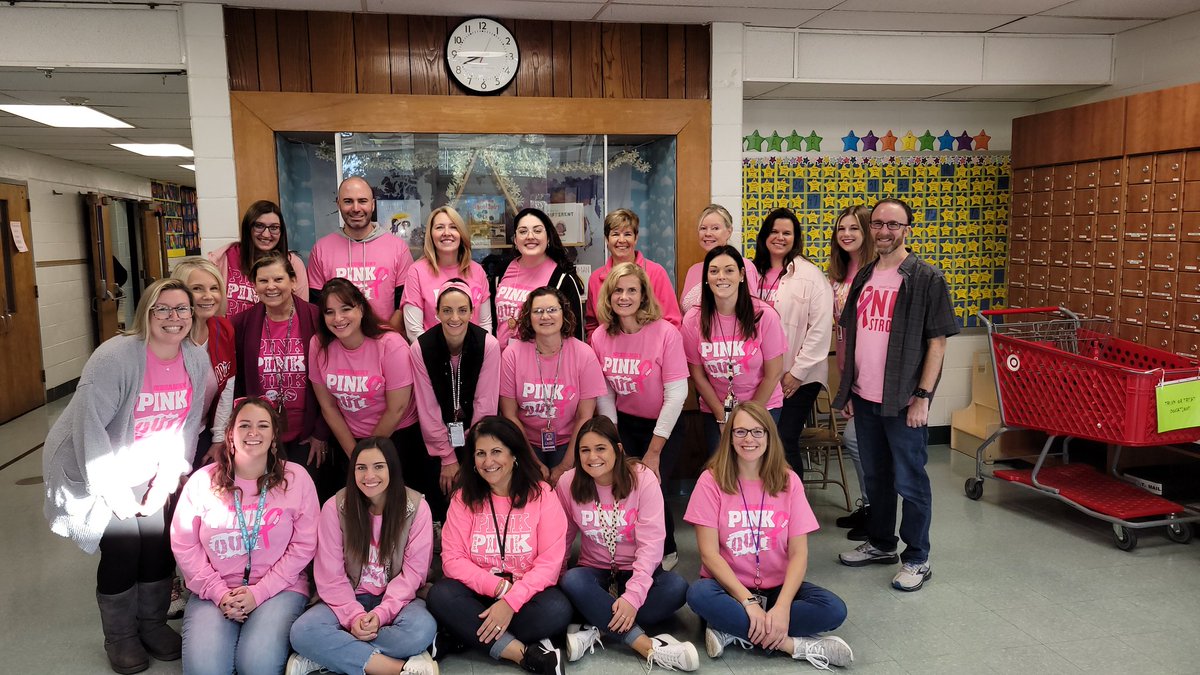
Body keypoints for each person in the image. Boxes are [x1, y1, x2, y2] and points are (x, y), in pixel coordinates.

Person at [43, 278, 210, 674]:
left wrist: (165, 483)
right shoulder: (115, 357)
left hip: (149, 468)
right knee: (123, 547)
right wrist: (114, 494)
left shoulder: (195, 358)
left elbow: (187, 426)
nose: (174, 318)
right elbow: (89, 431)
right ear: (147, 313)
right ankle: (119, 637)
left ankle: (150, 625)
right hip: (95, 467)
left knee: (156, 544)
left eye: (182, 309)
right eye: (163, 309)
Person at [833, 198, 959, 592]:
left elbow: (937, 344)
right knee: (876, 477)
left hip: (904, 400)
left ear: (908, 228)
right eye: (879, 224)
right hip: (865, 396)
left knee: (910, 480)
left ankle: (917, 557)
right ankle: (882, 544)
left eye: (894, 224)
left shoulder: (925, 278)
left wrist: (922, 397)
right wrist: (849, 389)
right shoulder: (866, 275)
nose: (884, 231)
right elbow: (852, 336)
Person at [684, 402, 852, 669]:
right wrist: (748, 602)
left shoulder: (788, 481)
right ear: (729, 437)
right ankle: (794, 646)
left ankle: (731, 629)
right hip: (729, 589)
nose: (748, 439)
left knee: (833, 609)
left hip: (776, 588)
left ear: (769, 436)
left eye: (757, 431)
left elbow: (799, 553)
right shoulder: (711, 480)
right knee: (697, 594)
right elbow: (709, 555)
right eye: (740, 432)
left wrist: (783, 606)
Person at [170, 397, 318, 675]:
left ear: (274, 437)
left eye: (263, 425)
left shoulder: (296, 479)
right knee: (205, 670)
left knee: (257, 666)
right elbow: (184, 544)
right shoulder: (202, 482)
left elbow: (304, 545)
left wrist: (259, 592)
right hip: (214, 591)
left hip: (278, 590)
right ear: (230, 435)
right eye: (245, 425)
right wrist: (219, 593)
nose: (253, 433)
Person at [426, 416, 571, 675]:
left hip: (526, 595)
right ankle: (523, 654)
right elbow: (452, 560)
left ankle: (464, 634)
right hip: (478, 594)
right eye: (480, 454)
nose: (488, 461)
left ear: (514, 454)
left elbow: (549, 564)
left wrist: (511, 601)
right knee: (442, 595)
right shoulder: (463, 498)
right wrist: (500, 588)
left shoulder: (542, 495)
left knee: (557, 609)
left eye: (496, 452)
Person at [554, 417, 697, 671]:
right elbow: (562, 538)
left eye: (600, 448)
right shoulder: (568, 482)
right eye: (584, 450)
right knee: (572, 582)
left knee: (676, 588)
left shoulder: (642, 479)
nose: (592, 457)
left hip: (637, 570)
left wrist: (632, 597)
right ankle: (645, 644)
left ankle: (597, 626)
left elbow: (652, 544)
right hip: (596, 572)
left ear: (618, 450)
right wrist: (560, 585)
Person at [288, 437, 438, 675]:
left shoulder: (416, 507)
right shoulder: (335, 508)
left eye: (379, 466)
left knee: (421, 630)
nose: (370, 476)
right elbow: (330, 575)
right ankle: (397, 668)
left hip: (398, 601)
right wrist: (353, 615)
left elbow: (413, 574)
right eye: (361, 468)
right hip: (346, 598)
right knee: (303, 631)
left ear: (392, 468)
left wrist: (380, 614)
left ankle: (328, 656)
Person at [310, 278, 442, 520]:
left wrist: (366, 456)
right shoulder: (318, 344)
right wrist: (355, 454)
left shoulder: (390, 343)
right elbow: (328, 406)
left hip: (396, 435)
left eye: (345, 309)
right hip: (349, 438)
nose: (338, 318)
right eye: (330, 312)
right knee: (354, 510)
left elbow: (397, 408)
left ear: (361, 308)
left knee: (398, 510)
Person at [590, 262, 687, 569]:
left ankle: (666, 548)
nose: (624, 296)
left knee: (652, 484)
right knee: (625, 485)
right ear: (608, 295)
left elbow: (677, 394)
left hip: (663, 424)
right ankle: (628, 550)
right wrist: (613, 436)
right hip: (624, 424)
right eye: (618, 290)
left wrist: (654, 451)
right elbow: (606, 392)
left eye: (632, 290)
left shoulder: (666, 333)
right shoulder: (601, 337)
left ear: (644, 295)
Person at [230, 252, 331, 499]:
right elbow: (239, 383)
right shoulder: (241, 324)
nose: (271, 287)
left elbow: (331, 379)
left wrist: (320, 432)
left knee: (303, 501)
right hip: (260, 435)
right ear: (254, 286)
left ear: (293, 281)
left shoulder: (316, 318)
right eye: (263, 281)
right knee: (265, 501)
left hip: (307, 436)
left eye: (278, 279)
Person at [681, 245, 787, 455]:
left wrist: (749, 419)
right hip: (716, 409)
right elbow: (697, 375)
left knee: (757, 471)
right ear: (706, 278)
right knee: (722, 474)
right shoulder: (693, 319)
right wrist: (723, 417)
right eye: (714, 271)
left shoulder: (765, 315)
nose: (721, 277)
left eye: (729, 270)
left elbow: (773, 373)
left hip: (762, 406)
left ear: (741, 275)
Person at [499, 286, 608, 485]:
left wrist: (566, 465)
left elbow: (585, 416)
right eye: (538, 311)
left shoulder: (584, 354)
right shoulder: (512, 355)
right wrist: (532, 461)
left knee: (567, 493)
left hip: (570, 441)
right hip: (525, 442)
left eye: (552, 310)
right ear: (528, 317)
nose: (545, 316)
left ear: (563, 314)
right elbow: (509, 414)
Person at [752, 208, 834, 471]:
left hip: (800, 377)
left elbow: (820, 330)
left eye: (786, 233)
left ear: (795, 238)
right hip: (764, 375)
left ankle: (794, 507)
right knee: (762, 439)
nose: (779, 237)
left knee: (784, 439)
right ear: (765, 235)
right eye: (774, 231)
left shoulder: (811, 276)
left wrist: (796, 373)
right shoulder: (753, 274)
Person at [411, 283, 502, 503]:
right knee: (441, 490)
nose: (455, 318)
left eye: (462, 310)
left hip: (477, 436)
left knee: (476, 494)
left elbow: (485, 404)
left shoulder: (488, 345)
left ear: (472, 312)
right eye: (447, 310)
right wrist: (447, 457)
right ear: (436, 312)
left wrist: (473, 452)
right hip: (436, 437)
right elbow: (428, 407)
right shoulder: (421, 347)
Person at [308, 177, 413, 331]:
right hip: (339, 344)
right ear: (338, 204)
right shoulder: (321, 250)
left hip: (384, 342)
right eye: (348, 201)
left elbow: (404, 304)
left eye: (362, 201)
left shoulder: (398, 247)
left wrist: (386, 340)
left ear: (373, 204)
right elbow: (317, 306)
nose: (356, 208)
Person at [827, 205, 875, 540]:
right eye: (842, 228)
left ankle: (877, 511)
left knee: (857, 440)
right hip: (849, 370)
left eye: (854, 229)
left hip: (870, 374)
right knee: (858, 441)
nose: (846, 234)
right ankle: (870, 506)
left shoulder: (876, 273)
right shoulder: (839, 275)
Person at [173, 258, 237, 469]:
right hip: (167, 439)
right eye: (197, 289)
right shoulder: (169, 339)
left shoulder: (223, 328)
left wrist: (219, 438)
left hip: (202, 434)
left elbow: (227, 385)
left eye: (214, 288)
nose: (208, 296)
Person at [491, 207, 584, 350]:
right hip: (503, 362)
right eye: (523, 231)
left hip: (543, 363)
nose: (530, 236)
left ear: (548, 238)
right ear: (515, 240)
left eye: (537, 230)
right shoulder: (501, 272)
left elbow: (574, 334)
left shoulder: (562, 279)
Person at [583, 208, 681, 335]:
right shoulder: (595, 278)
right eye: (615, 234)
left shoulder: (656, 273)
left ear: (636, 238)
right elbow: (593, 325)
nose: (622, 240)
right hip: (610, 353)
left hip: (650, 352)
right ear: (607, 239)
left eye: (628, 234)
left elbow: (672, 322)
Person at [401, 205, 492, 341]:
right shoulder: (417, 272)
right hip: (432, 356)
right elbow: (414, 331)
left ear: (461, 233)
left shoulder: (477, 271)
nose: (447, 233)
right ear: (430, 234)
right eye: (439, 227)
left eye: (453, 227)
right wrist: (440, 357)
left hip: (472, 355)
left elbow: (485, 324)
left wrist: (476, 353)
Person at [207, 200, 308, 319]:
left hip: (276, 336)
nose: (266, 234)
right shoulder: (223, 259)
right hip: (230, 335)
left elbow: (301, 312)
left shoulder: (293, 263)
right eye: (259, 226)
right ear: (248, 228)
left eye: (274, 228)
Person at [680, 204, 761, 315]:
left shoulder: (743, 266)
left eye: (715, 228)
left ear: (729, 231)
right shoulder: (693, 270)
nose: (708, 233)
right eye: (703, 228)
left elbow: (751, 311)